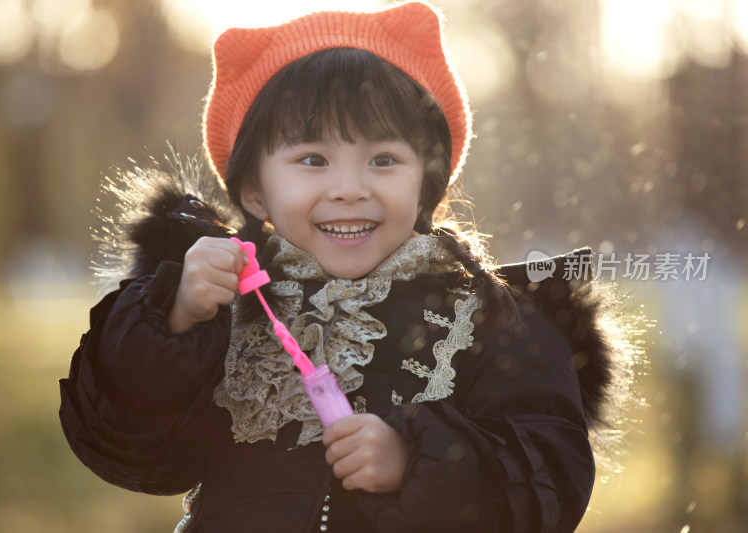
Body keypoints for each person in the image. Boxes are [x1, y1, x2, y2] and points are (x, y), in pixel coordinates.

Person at [59, 2, 626, 532]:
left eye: (383, 160)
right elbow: (135, 455)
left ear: (426, 182)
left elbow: (550, 480)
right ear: (255, 192)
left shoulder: (494, 321)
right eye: (312, 159)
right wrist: (176, 317)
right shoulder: (223, 305)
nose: (349, 189)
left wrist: (417, 457)